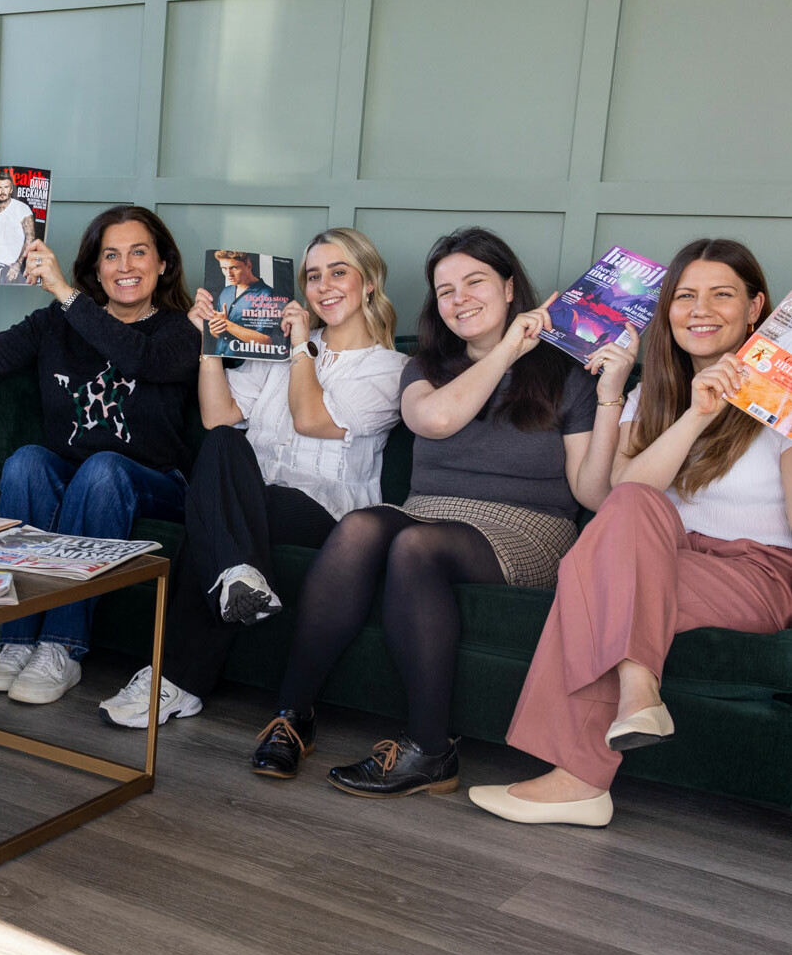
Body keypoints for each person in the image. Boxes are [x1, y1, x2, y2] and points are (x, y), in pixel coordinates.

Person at [250, 226, 632, 794]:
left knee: (414, 545)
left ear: (509, 288)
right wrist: (508, 350)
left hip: (526, 528)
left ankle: (430, 749)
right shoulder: (422, 366)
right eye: (446, 291)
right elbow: (433, 421)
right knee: (361, 526)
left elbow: (593, 495)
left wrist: (611, 393)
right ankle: (293, 713)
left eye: (475, 282)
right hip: (428, 509)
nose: (460, 300)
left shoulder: (567, 373)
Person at [475, 239, 792, 828]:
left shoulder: (785, 397)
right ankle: (638, 694)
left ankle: (580, 780)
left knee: (589, 570)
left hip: (757, 571)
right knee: (627, 515)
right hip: (661, 552)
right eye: (685, 296)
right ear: (666, 311)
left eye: (722, 294)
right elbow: (610, 498)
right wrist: (695, 413)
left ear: (755, 308)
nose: (701, 309)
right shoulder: (657, 396)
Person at [99, 228, 408, 728]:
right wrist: (210, 343)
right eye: (313, 276)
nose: (324, 286)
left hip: (325, 512)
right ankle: (237, 580)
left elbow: (311, 419)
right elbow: (219, 416)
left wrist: (300, 348)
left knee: (213, 517)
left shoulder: (392, 370)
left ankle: (172, 679)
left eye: (339, 272)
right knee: (222, 443)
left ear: (369, 282)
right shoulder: (273, 349)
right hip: (253, 496)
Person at [0, 205, 201, 705]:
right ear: (96, 268)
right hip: (76, 473)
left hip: (156, 482)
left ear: (163, 264)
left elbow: (138, 357)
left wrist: (66, 295)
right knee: (26, 462)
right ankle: (17, 639)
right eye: (111, 255)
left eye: (138, 252)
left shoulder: (180, 332)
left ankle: (62, 647)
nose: (125, 266)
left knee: (102, 470)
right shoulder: (53, 326)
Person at [0, 171, 35, 283]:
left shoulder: (21, 208)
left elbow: (30, 238)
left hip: (9, 267)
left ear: (11, 190)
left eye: (6, 187)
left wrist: (18, 264)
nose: (2, 191)